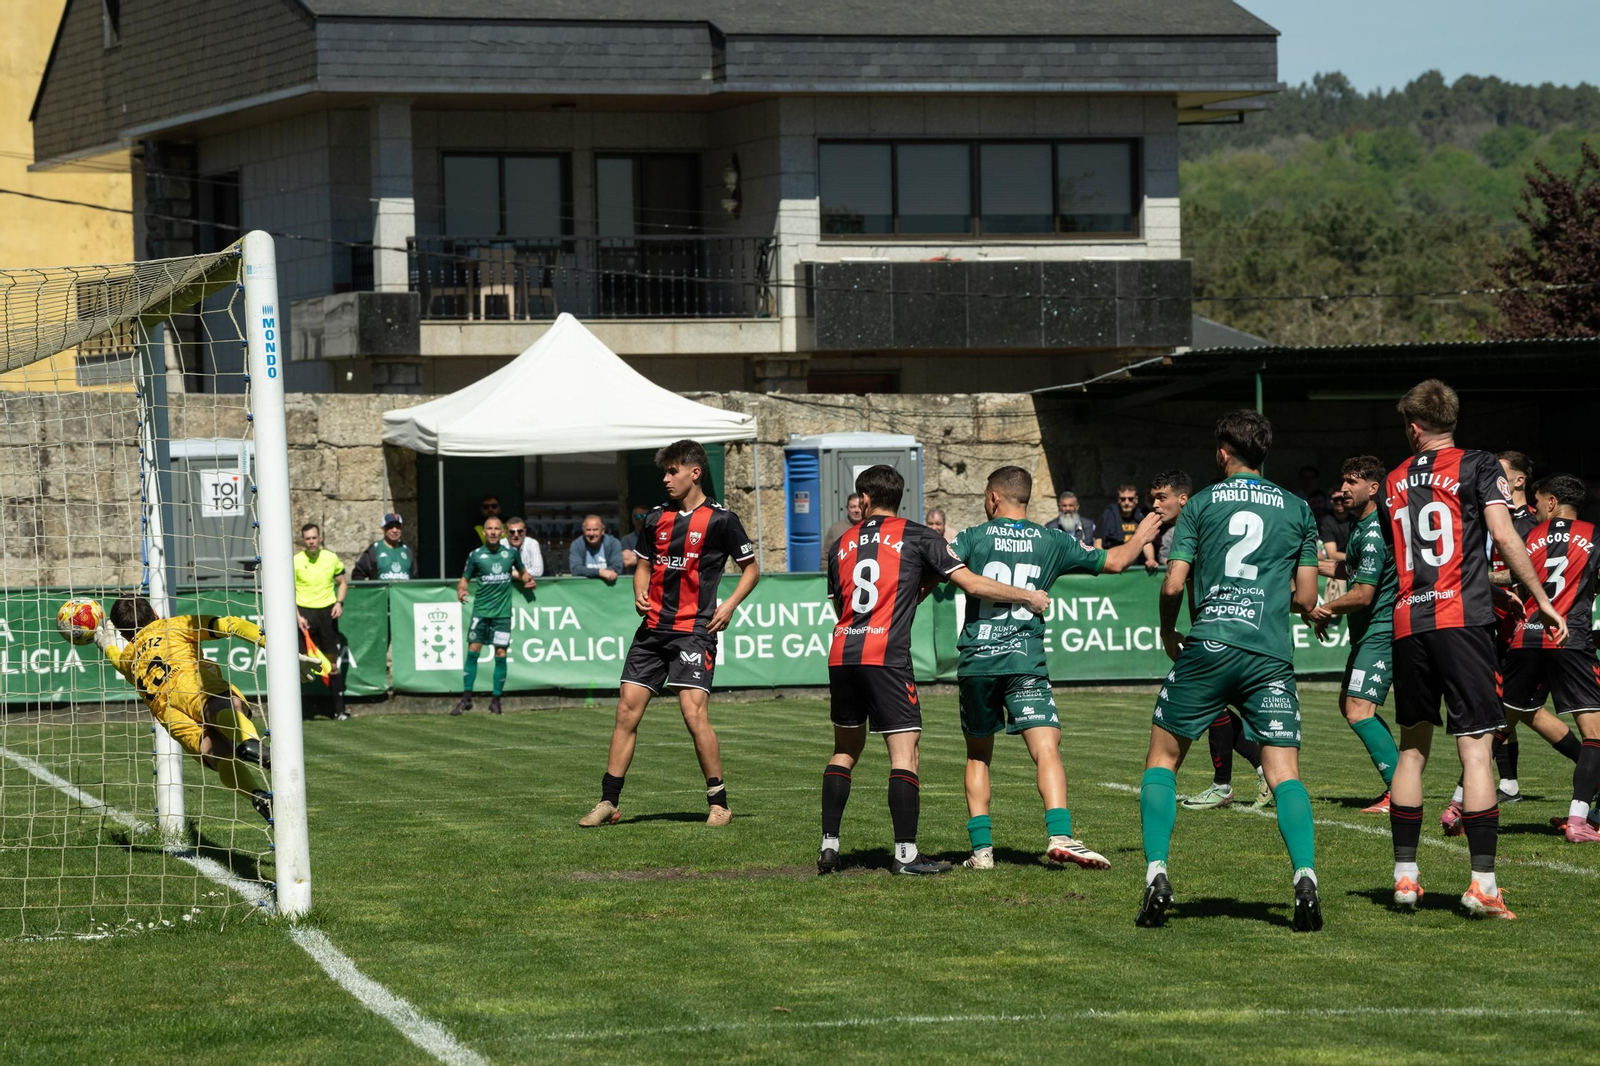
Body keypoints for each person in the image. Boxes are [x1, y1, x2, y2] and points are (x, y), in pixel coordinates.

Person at [1380, 379, 1565, 920]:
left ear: (1413, 426)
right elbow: (1504, 535)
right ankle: (1482, 885)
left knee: (1413, 745)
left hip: (1410, 620)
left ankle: (1406, 880)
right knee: (1476, 747)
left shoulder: (1393, 479)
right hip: (1461, 619)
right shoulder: (1479, 464)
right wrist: (1540, 599)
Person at [1139, 410, 1324, 932]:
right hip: (1268, 653)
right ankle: (1304, 876)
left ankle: (1156, 872)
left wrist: (1166, 631)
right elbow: (1307, 597)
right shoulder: (1298, 509)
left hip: (1210, 645)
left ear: (1224, 452)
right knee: (1284, 772)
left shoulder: (1199, 505)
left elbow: (1173, 585)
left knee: (1163, 760)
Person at [817, 464, 1050, 877]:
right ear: (898, 499)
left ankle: (830, 846)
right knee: (905, 754)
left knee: (845, 750)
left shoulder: (841, 543)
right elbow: (973, 584)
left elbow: (841, 604)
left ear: (864, 500)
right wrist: (1027, 596)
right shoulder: (919, 535)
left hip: (842, 653)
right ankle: (906, 855)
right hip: (885, 654)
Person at [953, 465, 1161, 871]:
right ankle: (1061, 834)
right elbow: (1116, 562)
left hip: (978, 660)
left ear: (993, 498)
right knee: (1046, 748)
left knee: (979, 756)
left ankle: (982, 852)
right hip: (1024, 660)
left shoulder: (972, 537)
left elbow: (940, 571)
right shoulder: (1051, 540)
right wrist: (1143, 534)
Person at [578, 440, 759, 829]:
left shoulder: (721, 519)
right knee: (626, 710)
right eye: (665, 472)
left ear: (695, 472)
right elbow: (643, 565)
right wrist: (638, 590)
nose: (665, 479)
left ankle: (719, 803)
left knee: (693, 713)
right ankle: (609, 801)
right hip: (652, 630)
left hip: (694, 630)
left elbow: (751, 569)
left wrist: (729, 606)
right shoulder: (656, 518)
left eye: (672, 471)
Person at [92, 597, 316, 824]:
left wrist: (106, 644)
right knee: (223, 705)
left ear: (124, 634)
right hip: (187, 683)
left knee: (219, 754)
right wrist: (282, 650)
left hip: (168, 713)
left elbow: (116, 660)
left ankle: (257, 796)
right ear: (154, 612)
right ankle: (250, 742)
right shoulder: (172, 625)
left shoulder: (130, 658)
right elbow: (231, 624)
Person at [1148, 470, 1271, 813]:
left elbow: (1174, 584)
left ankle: (1224, 785)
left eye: (1162, 497)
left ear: (1183, 499)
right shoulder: (1212, 520)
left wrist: (1168, 630)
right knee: (1214, 706)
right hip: (1238, 626)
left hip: (1220, 631)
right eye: (1153, 497)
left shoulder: (1194, 525)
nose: (1155, 505)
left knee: (1206, 705)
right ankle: (1264, 771)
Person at [1500, 474, 1600, 843]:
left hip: (1526, 638)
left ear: (1553, 502)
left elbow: (1514, 578)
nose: (1535, 508)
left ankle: (1461, 804)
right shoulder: (1593, 535)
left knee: (1504, 721)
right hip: (1570, 639)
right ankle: (1580, 819)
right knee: (1595, 734)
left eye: (1539, 502)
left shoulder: (1530, 535)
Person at [1306, 456, 1403, 812]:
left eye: (1352, 482)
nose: (1343, 489)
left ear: (1373, 488)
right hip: (1368, 632)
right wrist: (1310, 563)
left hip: (1381, 630)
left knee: (1358, 710)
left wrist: (1325, 609)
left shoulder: (1374, 531)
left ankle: (1399, 791)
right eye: (1343, 481)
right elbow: (1349, 568)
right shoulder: (1360, 526)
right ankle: (1401, 782)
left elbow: (1363, 594)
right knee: (1350, 703)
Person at [452, 516, 534, 717]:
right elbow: (464, 580)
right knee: (473, 651)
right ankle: (466, 698)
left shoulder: (511, 554)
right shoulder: (476, 555)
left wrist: (529, 580)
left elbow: (523, 573)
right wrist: (461, 591)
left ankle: (496, 700)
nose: (493, 532)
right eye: (489, 529)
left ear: (503, 532)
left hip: (502, 615)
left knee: (501, 654)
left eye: (497, 529)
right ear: (485, 532)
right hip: (481, 612)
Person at [294, 523, 349, 721]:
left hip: (326, 614)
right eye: (307, 538)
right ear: (303, 540)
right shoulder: (295, 561)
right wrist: (298, 616)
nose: (311, 541)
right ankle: (300, 712)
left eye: (314, 538)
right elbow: (288, 590)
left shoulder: (330, 558)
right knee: (300, 664)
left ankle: (339, 711)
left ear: (320, 538)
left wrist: (339, 603)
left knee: (331, 663)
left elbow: (342, 583)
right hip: (304, 615)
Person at [1096, 484, 1159, 570]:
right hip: (1112, 563)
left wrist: (1151, 559)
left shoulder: (1141, 518)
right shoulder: (1107, 517)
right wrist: (1102, 563)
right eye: (1123, 499)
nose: (1126, 503)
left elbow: (1146, 542)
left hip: (1134, 566)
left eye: (1130, 499)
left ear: (1136, 499)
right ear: (1118, 500)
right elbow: (1098, 544)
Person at [351, 512, 418, 582]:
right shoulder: (374, 550)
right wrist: (368, 591)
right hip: (382, 593)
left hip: (402, 593)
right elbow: (358, 573)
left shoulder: (408, 551)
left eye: (397, 527)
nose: (394, 530)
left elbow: (415, 578)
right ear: (383, 529)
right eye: (390, 527)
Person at [568, 515, 623, 583]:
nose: (591, 533)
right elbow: (575, 569)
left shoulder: (613, 543)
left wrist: (593, 573)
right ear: (583, 531)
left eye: (595, 529)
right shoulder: (577, 545)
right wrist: (600, 572)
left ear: (602, 531)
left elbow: (617, 567)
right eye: (588, 530)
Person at [821, 493, 865, 571]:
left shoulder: (871, 527)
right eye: (853, 507)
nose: (856, 510)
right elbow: (826, 556)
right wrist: (825, 576)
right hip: (841, 577)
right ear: (847, 508)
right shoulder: (836, 529)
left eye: (859, 507)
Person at [505, 516, 544, 581]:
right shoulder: (501, 545)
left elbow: (538, 571)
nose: (516, 535)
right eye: (512, 532)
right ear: (507, 533)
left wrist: (514, 574)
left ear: (525, 532)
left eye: (520, 531)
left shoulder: (532, 544)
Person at [620, 507, 649, 572]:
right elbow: (627, 561)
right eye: (637, 516)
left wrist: (636, 557)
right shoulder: (626, 539)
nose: (641, 520)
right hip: (632, 579)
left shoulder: (656, 537)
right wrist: (650, 557)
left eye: (644, 516)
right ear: (632, 520)